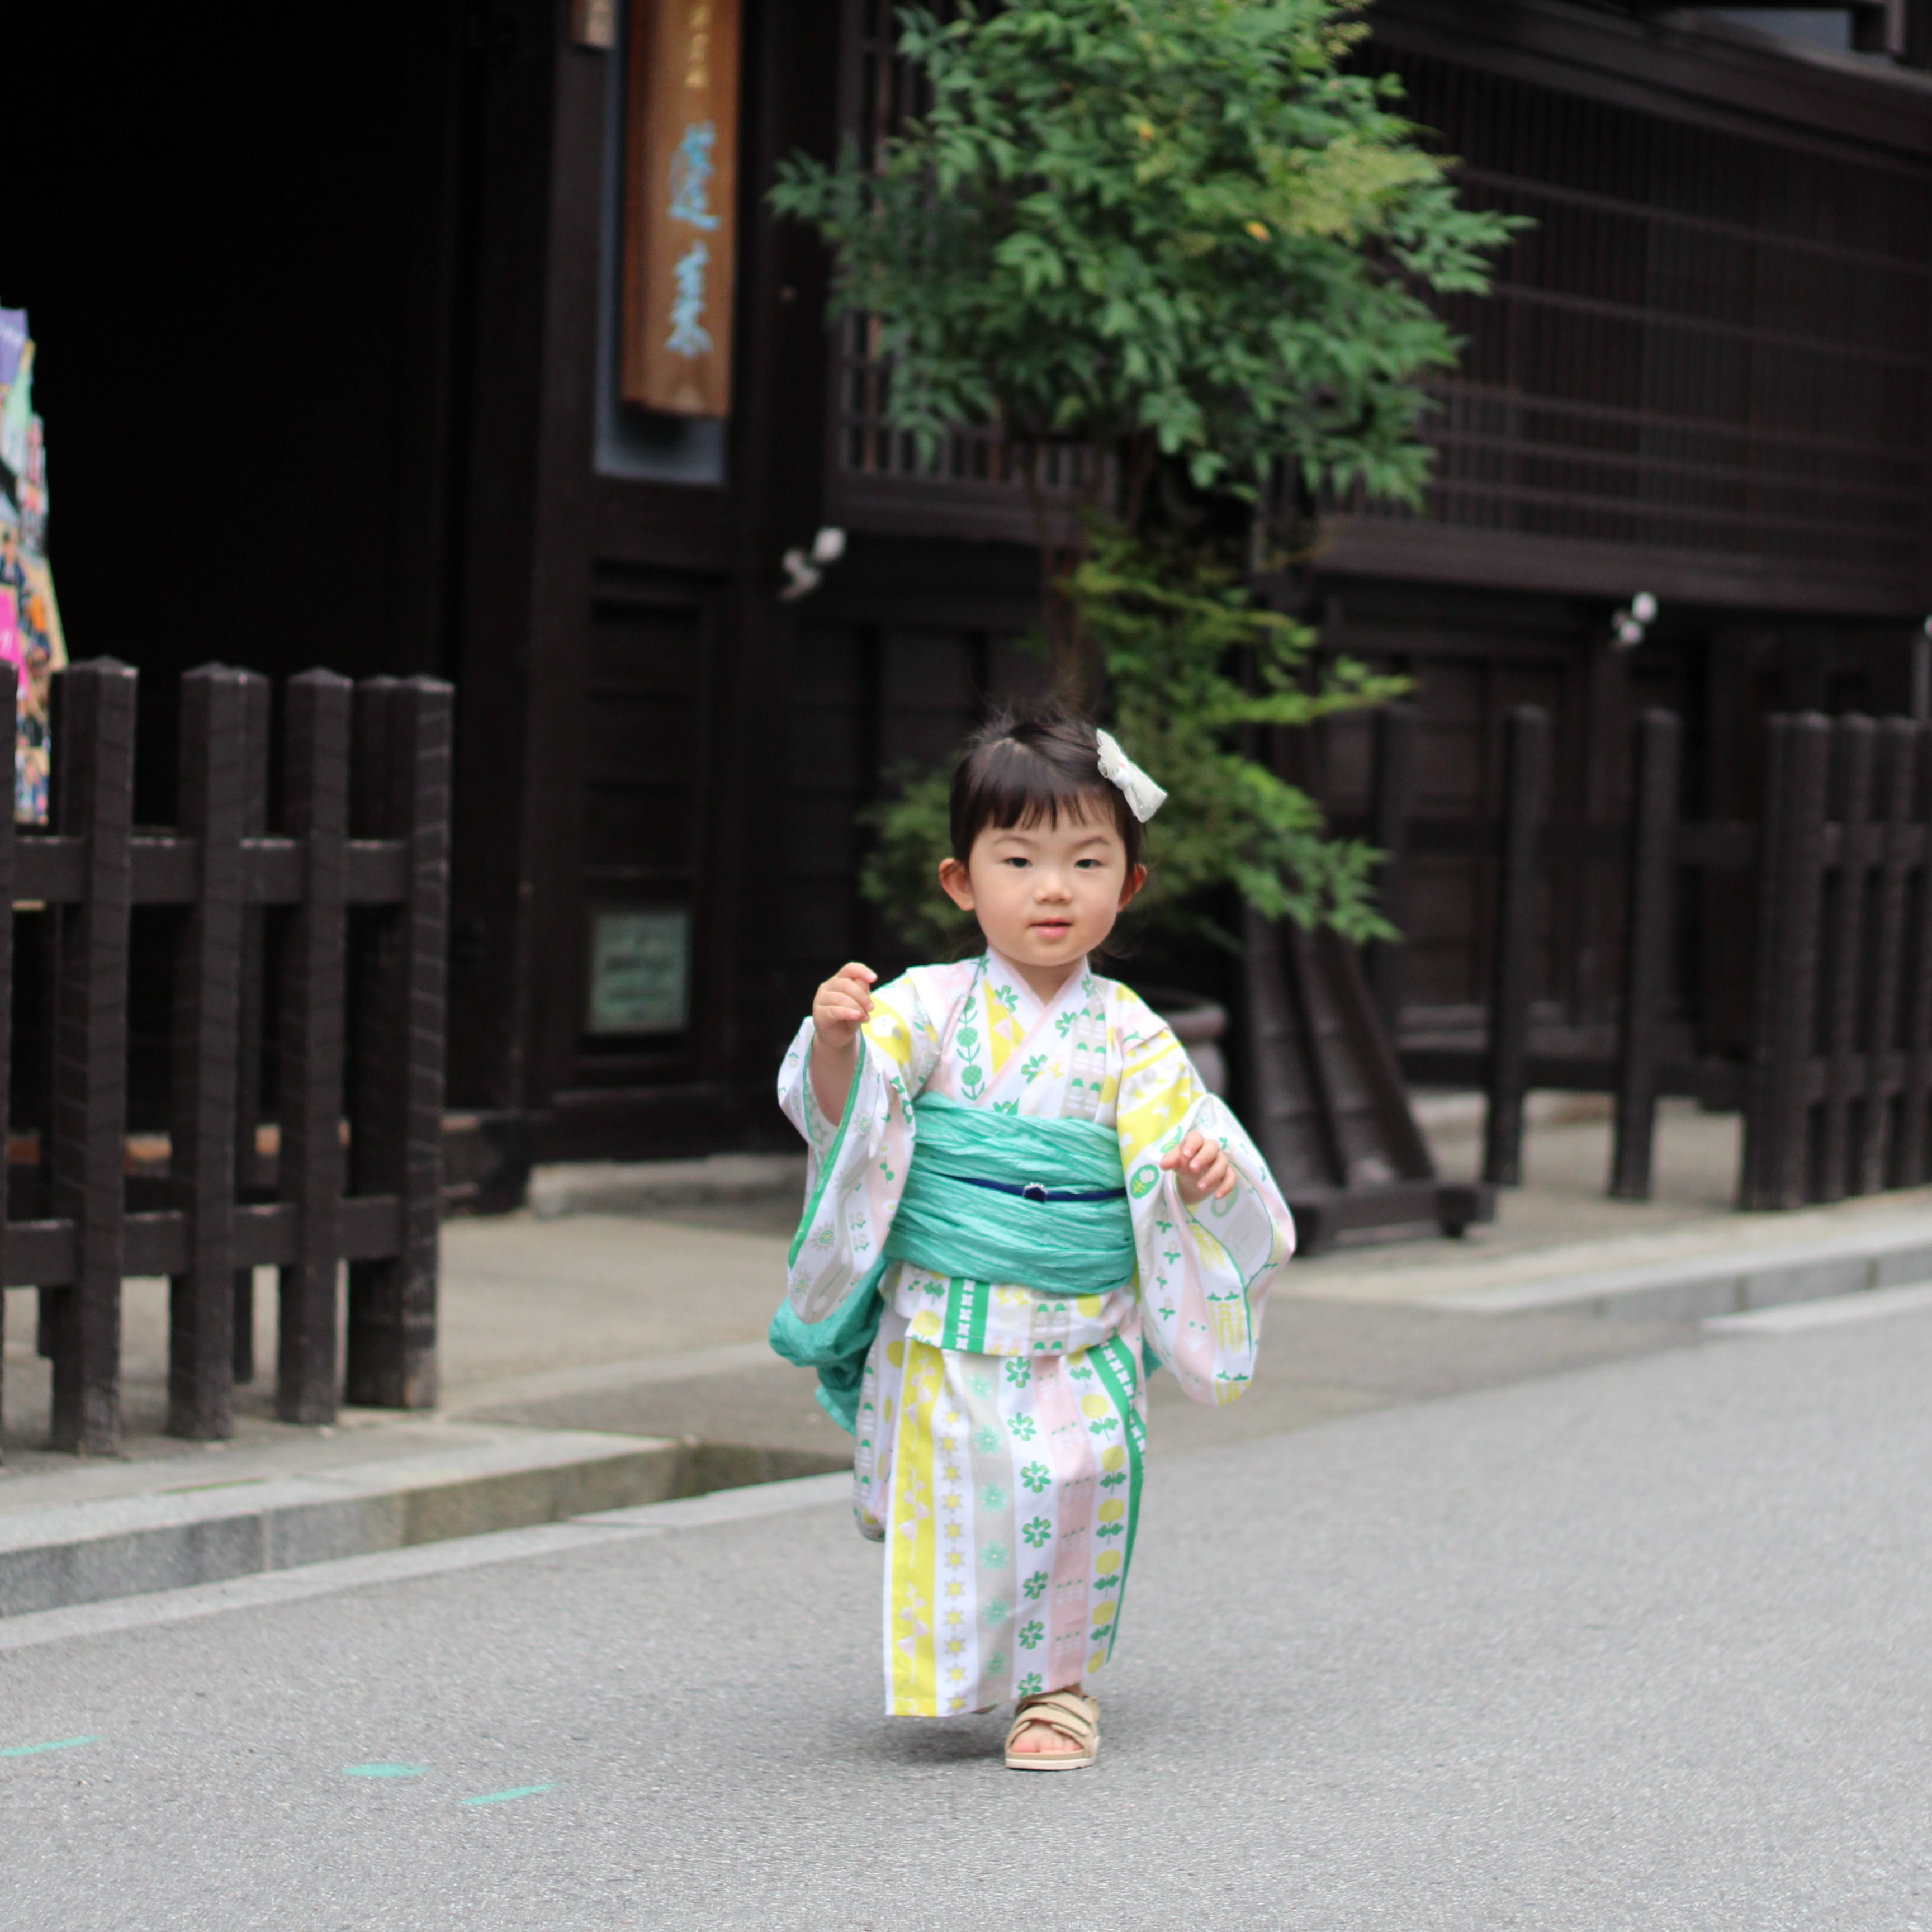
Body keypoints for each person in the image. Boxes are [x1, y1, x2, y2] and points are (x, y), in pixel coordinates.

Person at [772, 712, 1295, 1770]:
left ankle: (1058, 1693)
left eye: (1086, 861)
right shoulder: (923, 1005)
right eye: (1020, 860)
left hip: (1081, 1319)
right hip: (950, 1314)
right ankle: (968, 1678)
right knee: (962, 1494)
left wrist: (1202, 1174)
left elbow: (1192, 1143)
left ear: (1128, 885)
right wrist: (835, 1044)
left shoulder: (1135, 1034)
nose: (1053, 889)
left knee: (1079, 1480)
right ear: (962, 882)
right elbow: (851, 1114)